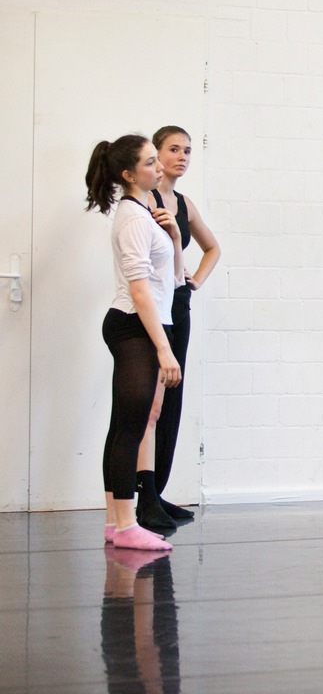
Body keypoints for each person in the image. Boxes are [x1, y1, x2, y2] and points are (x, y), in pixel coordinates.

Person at [85, 134, 182, 551]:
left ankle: (115, 521)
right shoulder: (133, 218)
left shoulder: (145, 211)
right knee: (130, 428)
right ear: (128, 175)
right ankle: (126, 525)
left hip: (138, 325)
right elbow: (140, 290)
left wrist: (176, 237)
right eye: (149, 162)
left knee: (125, 425)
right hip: (133, 327)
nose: (158, 166)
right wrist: (164, 349)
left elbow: (174, 281)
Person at [132, 126, 221, 530]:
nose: (182, 156)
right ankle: (142, 497)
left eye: (188, 150)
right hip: (152, 309)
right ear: (156, 153)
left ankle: (158, 493)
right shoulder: (143, 200)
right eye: (173, 149)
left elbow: (212, 247)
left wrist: (194, 280)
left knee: (171, 400)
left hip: (179, 306)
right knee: (148, 404)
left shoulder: (183, 203)